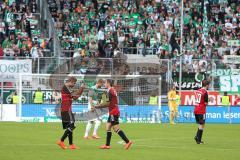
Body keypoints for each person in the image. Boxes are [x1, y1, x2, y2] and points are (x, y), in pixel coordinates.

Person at [94, 79, 133, 150]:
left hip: (113, 112)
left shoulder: (110, 91)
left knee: (115, 128)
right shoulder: (112, 90)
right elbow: (108, 102)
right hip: (113, 111)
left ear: (108, 83)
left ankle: (127, 141)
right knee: (108, 127)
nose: (104, 84)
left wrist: (98, 106)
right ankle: (107, 145)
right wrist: (100, 104)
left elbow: (107, 103)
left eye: (105, 83)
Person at [57, 77, 85, 150]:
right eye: (74, 83)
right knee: (72, 126)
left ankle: (71, 144)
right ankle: (61, 141)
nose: (74, 84)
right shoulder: (65, 87)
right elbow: (75, 96)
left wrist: (81, 89)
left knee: (70, 127)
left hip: (66, 110)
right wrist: (81, 88)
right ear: (70, 81)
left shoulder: (67, 88)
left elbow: (75, 97)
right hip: (66, 110)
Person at [194, 80, 212, 144]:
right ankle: (198, 140)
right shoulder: (205, 92)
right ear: (207, 85)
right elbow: (206, 103)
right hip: (201, 110)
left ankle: (197, 137)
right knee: (202, 125)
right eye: (209, 85)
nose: (209, 86)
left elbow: (200, 99)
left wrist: (207, 99)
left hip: (196, 109)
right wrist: (210, 100)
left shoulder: (197, 91)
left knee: (201, 124)